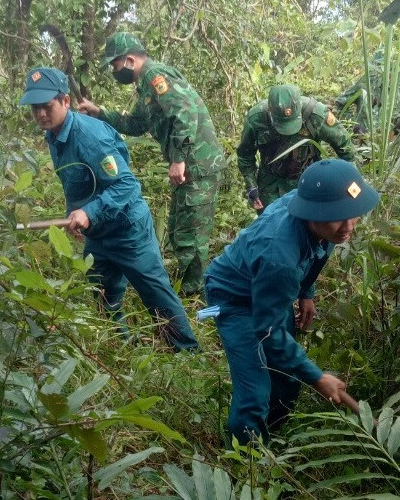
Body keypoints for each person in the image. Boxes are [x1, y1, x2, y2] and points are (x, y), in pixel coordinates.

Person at [20, 66, 198, 351]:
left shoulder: (90, 137)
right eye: (35, 108)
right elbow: (76, 181)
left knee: (156, 295)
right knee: (102, 292)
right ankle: (121, 347)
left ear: (65, 101)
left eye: (47, 106)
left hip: (127, 230)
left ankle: (187, 353)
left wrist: (89, 213)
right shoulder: (53, 135)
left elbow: (127, 186)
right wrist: (76, 214)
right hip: (99, 233)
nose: (40, 113)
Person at [204, 159, 380, 444]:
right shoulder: (280, 258)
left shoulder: (324, 216)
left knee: (286, 378)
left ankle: (272, 435)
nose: (348, 227)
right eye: (339, 217)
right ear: (313, 213)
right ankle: (246, 467)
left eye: (353, 215)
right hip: (235, 298)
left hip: (271, 289)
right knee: (255, 394)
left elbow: (316, 255)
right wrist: (318, 377)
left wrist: (305, 292)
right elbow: (268, 330)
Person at [77, 33, 225, 296]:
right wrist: (100, 113)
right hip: (188, 167)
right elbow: (135, 124)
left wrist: (178, 159)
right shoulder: (144, 86)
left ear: (130, 60)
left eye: (115, 64)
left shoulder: (156, 76)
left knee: (191, 235)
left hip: (198, 164)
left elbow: (184, 113)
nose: (114, 70)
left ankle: (195, 296)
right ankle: (187, 288)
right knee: (180, 229)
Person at [237, 84, 355, 212]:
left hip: (309, 180)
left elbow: (344, 147)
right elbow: (245, 154)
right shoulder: (256, 118)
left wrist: (348, 181)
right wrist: (252, 186)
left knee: (310, 225)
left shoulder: (316, 114)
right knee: (272, 224)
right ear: (270, 112)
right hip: (271, 183)